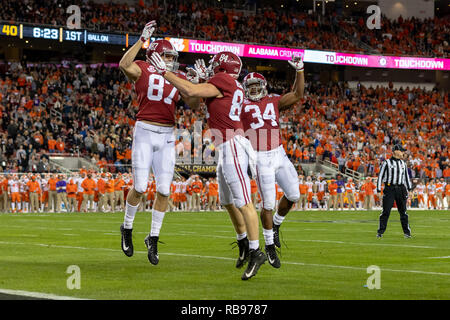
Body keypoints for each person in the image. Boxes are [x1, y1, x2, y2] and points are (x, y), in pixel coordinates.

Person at [149, 49, 265, 280]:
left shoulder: (223, 79)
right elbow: (194, 98)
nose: (211, 67)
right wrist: (200, 79)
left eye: (215, 64)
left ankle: (256, 251)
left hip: (232, 145)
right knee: (227, 201)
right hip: (226, 145)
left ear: (223, 66)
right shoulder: (226, 82)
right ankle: (243, 242)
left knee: (244, 202)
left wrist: (165, 72)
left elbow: (191, 90)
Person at [118, 21, 199, 264]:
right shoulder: (142, 67)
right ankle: (127, 227)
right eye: (166, 55)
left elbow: (194, 105)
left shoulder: (177, 76)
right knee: (141, 187)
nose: (171, 60)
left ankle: (153, 238)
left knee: (165, 189)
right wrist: (141, 41)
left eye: (172, 57)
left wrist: (193, 86)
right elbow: (123, 64)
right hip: (144, 130)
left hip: (167, 134)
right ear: (154, 55)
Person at [239, 56, 303, 267]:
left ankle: (276, 225)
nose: (255, 89)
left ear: (264, 86)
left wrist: (300, 70)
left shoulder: (273, 100)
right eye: (251, 86)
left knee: (294, 194)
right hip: (260, 157)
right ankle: (268, 246)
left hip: (279, 153)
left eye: (257, 85)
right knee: (267, 204)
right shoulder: (240, 105)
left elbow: (297, 94)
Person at [376, 144, 413, 238]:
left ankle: (407, 232)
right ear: (396, 151)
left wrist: (410, 189)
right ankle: (380, 232)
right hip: (389, 188)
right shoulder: (386, 163)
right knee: (386, 211)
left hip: (401, 188)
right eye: (401, 151)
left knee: (403, 212)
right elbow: (380, 176)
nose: (403, 153)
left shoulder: (403, 163)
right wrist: (378, 190)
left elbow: (406, 178)